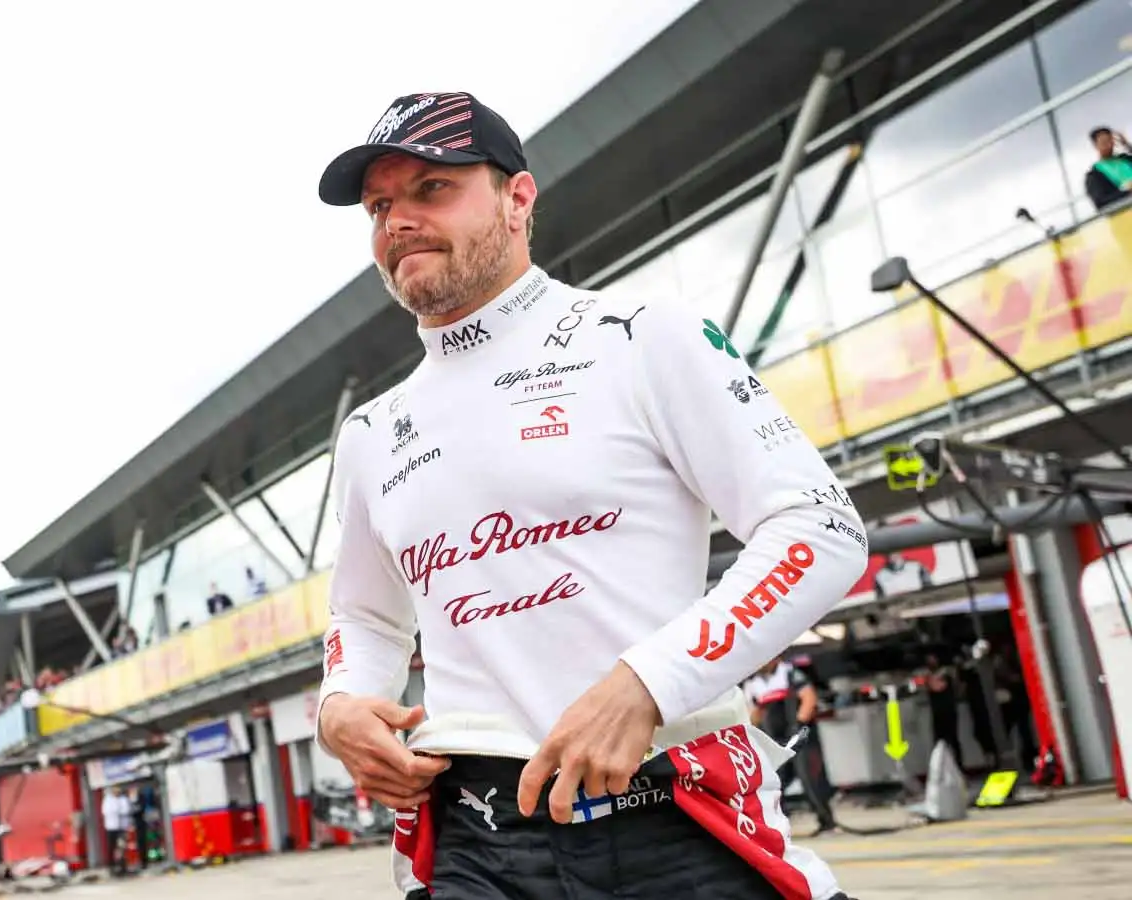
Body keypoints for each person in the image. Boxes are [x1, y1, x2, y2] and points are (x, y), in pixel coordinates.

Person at [312, 91, 868, 900]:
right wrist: (342, 706)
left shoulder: (643, 335)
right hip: (474, 837)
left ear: (518, 199)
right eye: (378, 206)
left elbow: (820, 529)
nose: (395, 223)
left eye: (431, 189)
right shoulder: (370, 430)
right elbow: (364, 617)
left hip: (673, 808)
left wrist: (648, 681)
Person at [745, 657, 837, 833]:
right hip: (772, 739)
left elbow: (809, 698)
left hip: (796, 734)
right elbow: (753, 714)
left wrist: (798, 724)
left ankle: (826, 821)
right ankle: (778, 826)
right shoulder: (753, 683)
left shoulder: (789, 673)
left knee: (809, 777)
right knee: (774, 781)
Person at [1085, 126, 1132, 210]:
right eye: (1103, 142)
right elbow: (1100, 202)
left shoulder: (1125, 159)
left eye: (1110, 140)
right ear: (1096, 145)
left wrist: (1127, 145)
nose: (1108, 144)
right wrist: (1127, 192)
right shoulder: (1094, 175)